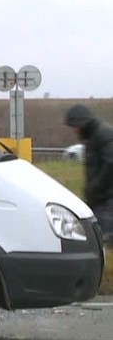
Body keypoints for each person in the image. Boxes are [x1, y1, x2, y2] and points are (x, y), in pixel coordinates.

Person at [64, 104, 113, 242]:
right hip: (99, 197)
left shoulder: (104, 135)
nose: (74, 131)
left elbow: (109, 166)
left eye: (75, 127)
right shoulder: (93, 137)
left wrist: (95, 189)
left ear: (83, 123)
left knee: (104, 239)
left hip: (107, 198)